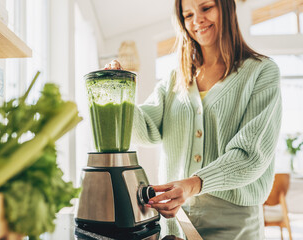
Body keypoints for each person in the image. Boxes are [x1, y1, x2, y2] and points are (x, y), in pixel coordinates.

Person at [105, 0, 282, 239]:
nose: (197, 20)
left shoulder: (262, 72)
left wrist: (194, 184)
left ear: (226, 8)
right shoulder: (175, 78)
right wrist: (120, 90)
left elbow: (252, 155)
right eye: (187, 15)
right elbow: (145, 130)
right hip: (177, 217)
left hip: (235, 223)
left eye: (206, 8)